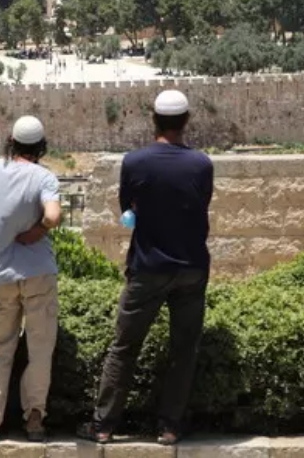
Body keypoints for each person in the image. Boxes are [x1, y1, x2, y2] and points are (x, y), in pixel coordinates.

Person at [78, 89, 213, 446]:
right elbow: (201, 206)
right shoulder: (202, 164)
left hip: (148, 266)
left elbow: (129, 211)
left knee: (124, 347)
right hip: (192, 267)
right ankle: (169, 427)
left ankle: (104, 426)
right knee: (184, 349)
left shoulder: (135, 162)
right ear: (186, 121)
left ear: (154, 120)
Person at [0, 116, 63, 444]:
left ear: (11, 140)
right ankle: (35, 417)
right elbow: (53, 215)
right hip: (37, 271)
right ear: (41, 146)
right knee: (40, 348)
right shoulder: (45, 177)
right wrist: (37, 231)